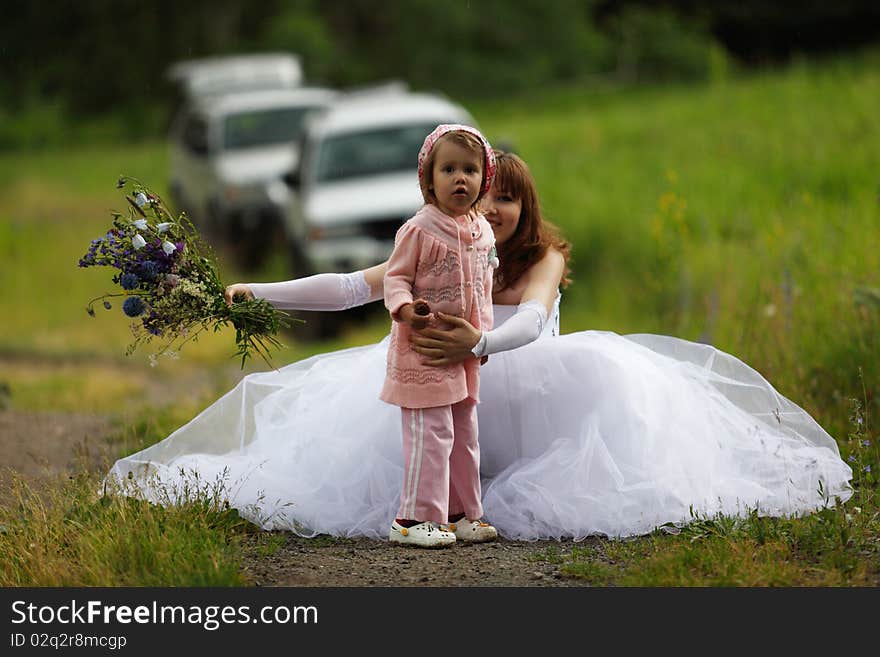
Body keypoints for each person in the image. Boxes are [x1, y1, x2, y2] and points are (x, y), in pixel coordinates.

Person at [109, 149, 853, 542]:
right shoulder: (437, 241)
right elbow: (349, 286)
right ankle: (439, 509)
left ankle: (471, 500)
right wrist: (253, 292)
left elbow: (530, 322)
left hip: (522, 380)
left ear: (524, 202)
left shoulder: (543, 256)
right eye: (479, 187)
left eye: (506, 193)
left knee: (601, 369)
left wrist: (479, 340)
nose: (492, 204)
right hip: (449, 385)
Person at [380, 124, 498, 547]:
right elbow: (395, 278)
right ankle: (412, 519)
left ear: (485, 178)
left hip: (463, 355)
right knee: (431, 435)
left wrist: (482, 340)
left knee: (463, 433)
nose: (459, 178)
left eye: (469, 169)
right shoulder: (419, 229)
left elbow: (483, 290)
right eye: (448, 169)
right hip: (424, 352)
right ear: (428, 180)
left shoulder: (481, 230)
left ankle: (461, 512)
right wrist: (407, 309)